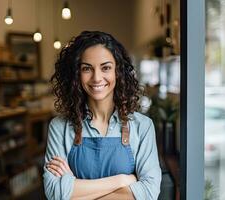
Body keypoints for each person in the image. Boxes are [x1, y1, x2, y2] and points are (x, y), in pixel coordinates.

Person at [43, 31, 161, 200]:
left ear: (118, 72)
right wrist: (122, 180)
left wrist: (74, 188)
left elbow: (148, 193)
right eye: (86, 68)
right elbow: (54, 194)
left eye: (105, 67)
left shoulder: (142, 126)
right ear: (76, 74)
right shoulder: (60, 127)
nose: (97, 78)